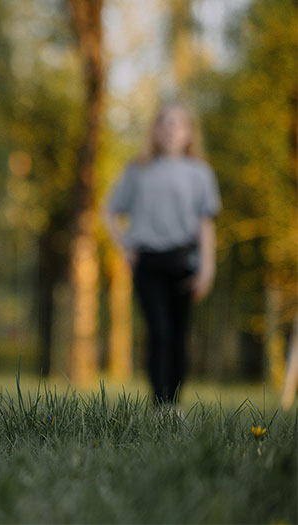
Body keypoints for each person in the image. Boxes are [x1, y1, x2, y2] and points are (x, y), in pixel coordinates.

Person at [104, 103, 221, 405]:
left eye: (178, 124)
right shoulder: (138, 169)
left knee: (179, 338)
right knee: (159, 333)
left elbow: (206, 225)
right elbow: (109, 211)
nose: (170, 130)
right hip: (148, 263)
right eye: (165, 124)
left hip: (184, 263)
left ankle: (174, 404)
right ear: (155, 130)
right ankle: (160, 406)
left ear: (188, 133)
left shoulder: (200, 173)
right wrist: (124, 247)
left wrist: (207, 270)